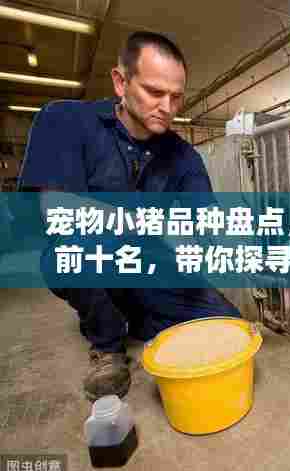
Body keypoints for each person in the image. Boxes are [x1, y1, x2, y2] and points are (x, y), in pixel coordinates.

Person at [18, 31, 241, 401]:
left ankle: (137, 315)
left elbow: (208, 222)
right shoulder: (66, 119)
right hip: (95, 260)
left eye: (176, 96)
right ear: (121, 82)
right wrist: (158, 226)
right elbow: (55, 209)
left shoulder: (184, 157)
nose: (167, 107)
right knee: (65, 256)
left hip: (152, 269)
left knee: (227, 325)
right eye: (155, 92)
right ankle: (107, 343)